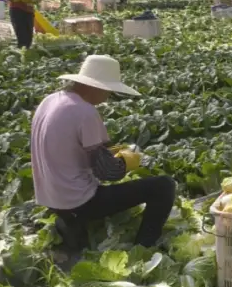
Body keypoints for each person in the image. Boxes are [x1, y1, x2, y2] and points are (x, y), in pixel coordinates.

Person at [31, 55, 176, 255]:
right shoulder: (85, 111)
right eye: (108, 90)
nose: (107, 97)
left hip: (50, 198)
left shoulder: (51, 100)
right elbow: (108, 173)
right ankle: (143, 248)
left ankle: (70, 225)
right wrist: (129, 160)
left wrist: (110, 153)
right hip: (78, 202)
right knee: (164, 186)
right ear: (96, 87)